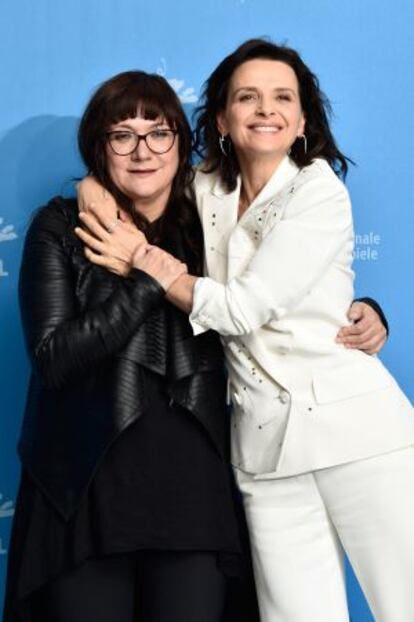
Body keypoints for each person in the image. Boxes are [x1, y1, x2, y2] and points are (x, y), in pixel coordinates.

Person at [77, 40, 413, 622]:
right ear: (224, 119)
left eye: (283, 97)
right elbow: (132, 178)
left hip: (359, 439)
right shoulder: (205, 187)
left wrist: (145, 261)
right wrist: (90, 189)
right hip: (262, 455)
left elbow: (239, 309)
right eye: (247, 97)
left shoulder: (318, 191)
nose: (266, 109)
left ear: (303, 118)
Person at [3, 71, 252, 622]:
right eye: (122, 135)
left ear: (182, 145)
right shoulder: (60, 227)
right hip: (86, 496)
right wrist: (146, 282)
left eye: (158, 133)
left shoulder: (216, 228)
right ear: (100, 148)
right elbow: (53, 358)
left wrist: (366, 310)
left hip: (194, 497)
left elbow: (270, 303)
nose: (143, 151)